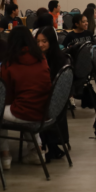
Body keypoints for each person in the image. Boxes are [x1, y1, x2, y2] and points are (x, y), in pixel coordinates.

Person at [0, 26, 52, 169]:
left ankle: (5, 155)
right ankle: (37, 151)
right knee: (28, 106)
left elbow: (7, 95)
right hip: (45, 110)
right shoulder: (41, 58)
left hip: (25, 112)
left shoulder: (9, 63)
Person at [35, 26, 70, 162]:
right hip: (55, 102)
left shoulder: (57, 60)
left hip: (50, 101)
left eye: (44, 41)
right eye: (38, 41)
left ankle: (39, 146)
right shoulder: (37, 57)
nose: (40, 45)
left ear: (51, 41)